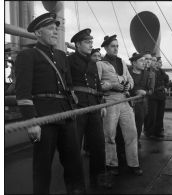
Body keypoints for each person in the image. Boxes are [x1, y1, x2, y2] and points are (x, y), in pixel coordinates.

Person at [15, 13, 85, 194]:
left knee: (74, 162)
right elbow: (23, 92)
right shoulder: (27, 55)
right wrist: (32, 121)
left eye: (56, 29)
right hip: (43, 117)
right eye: (51, 29)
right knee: (42, 166)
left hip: (66, 115)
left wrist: (73, 108)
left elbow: (68, 86)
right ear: (38, 33)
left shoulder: (62, 56)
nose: (55, 32)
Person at [68, 29, 112, 189]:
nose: (91, 45)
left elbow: (98, 85)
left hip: (94, 105)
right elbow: (66, 82)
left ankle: (99, 178)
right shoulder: (70, 60)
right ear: (78, 44)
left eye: (91, 42)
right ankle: (76, 184)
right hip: (78, 107)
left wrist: (101, 103)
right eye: (87, 42)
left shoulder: (94, 63)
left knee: (99, 145)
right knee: (74, 147)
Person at [96, 35, 143, 176]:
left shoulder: (121, 62)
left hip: (124, 99)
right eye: (112, 46)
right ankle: (111, 164)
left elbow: (130, 79)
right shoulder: (100, 64)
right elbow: (97, 85)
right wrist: (111, 85)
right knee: (109, 134)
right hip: (110, 100)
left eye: (117, 46)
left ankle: (133, 164)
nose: (115, 48)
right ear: (105, 48)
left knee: (132, 132)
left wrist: (128, 85)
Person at [144, 57, 169, 138]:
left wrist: (165, 86)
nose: (158, 63)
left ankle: (158, 131)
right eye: (154, 61)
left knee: (160, 115)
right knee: (152, 115)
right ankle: (149, 131)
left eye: (157, 61)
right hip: (153, 96)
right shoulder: (148, 71)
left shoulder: (162, 72)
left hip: (161, 96)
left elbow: (166, 80)